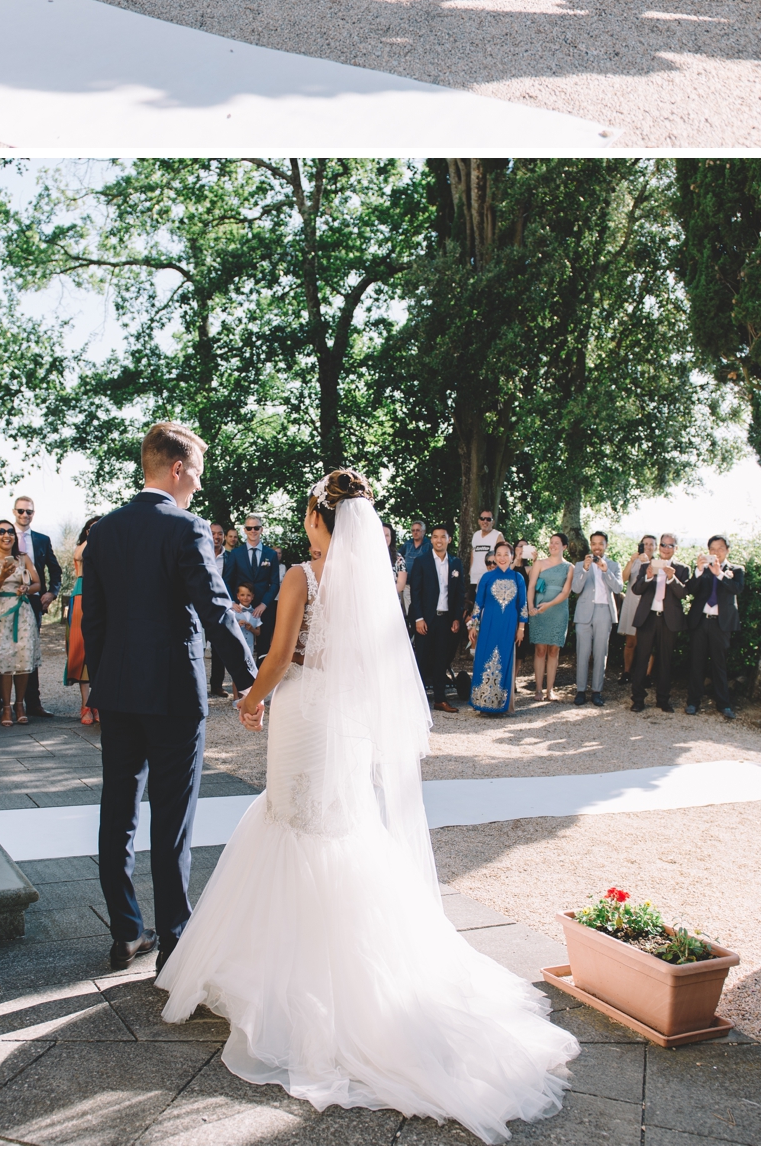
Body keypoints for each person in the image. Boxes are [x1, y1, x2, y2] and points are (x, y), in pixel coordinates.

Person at [156, 469, 576, 1139]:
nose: (302, 523)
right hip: (345, 717)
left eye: (306, 513)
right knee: (338, 826)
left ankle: (286, 978)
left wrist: (250, 698)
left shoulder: (303, 575)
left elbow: (276, 655)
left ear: (319, 519)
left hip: (302, 711)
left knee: (292, 818)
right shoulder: (371, 582)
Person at [82, 421, 257, 971]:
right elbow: (215, 608)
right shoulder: (188, 528)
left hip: (118, 690)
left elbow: (96, 620)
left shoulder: (105, 531)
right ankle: (175, 941)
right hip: (175, 693)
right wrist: (249, 679)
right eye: (197, 475)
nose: (199, 488)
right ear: (177, 469)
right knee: (173, 820)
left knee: (119, 810)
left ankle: (126, 932)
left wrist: (103, 683)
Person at [0, 518, 41, 725]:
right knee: (4, 660)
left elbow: (38, 583)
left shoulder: (23, 558)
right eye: (1, 531)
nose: (6, 535)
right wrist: (2, 577)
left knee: (22, 659)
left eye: (10, 532)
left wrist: (27, 588)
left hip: (22, 612)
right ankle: (5, 707)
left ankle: (20, 704)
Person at [8, 494, 62, 718]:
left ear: (33, 513)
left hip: (33, 601)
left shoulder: (42, 539)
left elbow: (55, 570)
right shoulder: (4, 536)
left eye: (28, 511)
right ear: (14, 512)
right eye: (20, 511)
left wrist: (51, 592)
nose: (24, 515)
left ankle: (33, 703)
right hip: (6, 601)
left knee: (30, 652)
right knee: (4, 650)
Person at [406, 522, 465, 713]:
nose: (439, 540)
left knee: (442, 659)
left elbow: (459, 593)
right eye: (435, 537)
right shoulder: (421, 561)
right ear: (431, 539)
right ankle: (416, 701)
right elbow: (415, 592)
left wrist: (457, 618)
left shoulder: (455, 563)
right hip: (425, 619)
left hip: (445, 619)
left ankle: (440, 700)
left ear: (449, 539)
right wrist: (419, 618)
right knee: (422, 659)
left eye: (442, 536)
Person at [629, 533, 690, 713]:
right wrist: (647, 577)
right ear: (659, 547)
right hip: (647, 618)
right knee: (641, 659)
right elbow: (636, 589)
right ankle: (638, 699)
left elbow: (684, 594)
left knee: (665, 660)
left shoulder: (682, 568)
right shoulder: (647, 565)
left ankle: (663, 700)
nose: (666, 548)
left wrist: (672, 578)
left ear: (675, 549)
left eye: (670, 545)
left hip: (668, 620)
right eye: (663, 545)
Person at [467, 538, 528, 715]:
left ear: (511, 556)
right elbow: (478, 605)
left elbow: (522, 605)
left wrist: (521, 628)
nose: (501, 558)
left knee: (505, 660)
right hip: (489, 625)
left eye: (505, 555)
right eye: (498, 554)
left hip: (509, 626)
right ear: (494, 556)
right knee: (485, 658)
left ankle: (502, 705)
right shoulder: (486, 577)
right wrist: (473, 627)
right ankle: (482, 703)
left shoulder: (518, 578)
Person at [685, 536, 744, 720]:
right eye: (712, 548)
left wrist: (719, 574)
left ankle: (723, 704)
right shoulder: (703, 569)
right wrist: (698, 570)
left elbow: (737, 589)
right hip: (701, 621)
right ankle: (693, 702)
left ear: (727, 550)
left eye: (720, 548)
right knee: (697, 663)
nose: (716, 552)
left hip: (721, 623)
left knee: (720, 664)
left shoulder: (736, 570)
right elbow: (690, 590)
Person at [569, 533, 623, 707]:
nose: (597, 547)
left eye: (600, 544)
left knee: (601, 653)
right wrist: (584, 570)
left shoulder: (613, 565)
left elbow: (618, 588)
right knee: (582, 653)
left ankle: (597, 691)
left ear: (606, 545)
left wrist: (606, 570)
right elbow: (575, 588)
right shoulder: (580, 565)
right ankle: (580, 691)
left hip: (604, 612)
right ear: (590, 545)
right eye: (594, 544)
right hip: (584, 612)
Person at [225, 515, 282, 658]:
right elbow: (226, 580)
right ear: (245, 530)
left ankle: (261, 678)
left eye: (256, 527)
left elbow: (275, 583)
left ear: (261, 529)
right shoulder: (236, 554)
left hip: (263, 607)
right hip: (241, 607)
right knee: (241, 647)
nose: (253, 531)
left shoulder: (271, 554)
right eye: (249, 528)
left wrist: (264, 604)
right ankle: (243, 679)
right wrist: (232, 602)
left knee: (263, 647)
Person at [528, 532, 575, 703]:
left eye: (557, 543)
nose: (553, 545)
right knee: (540, 650)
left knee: (554, 650)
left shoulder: (570, 567)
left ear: (564, 547)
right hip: (538, 610)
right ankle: (538, 689)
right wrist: (531, 606)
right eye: (551, 542)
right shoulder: (539, 563)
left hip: (558, 609)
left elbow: (566, 592)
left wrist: (549, 604)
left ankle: (550, 690)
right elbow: (531, 586)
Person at [615, 534, 657, 693]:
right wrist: (632, 561)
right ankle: (626, 672)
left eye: (651, 544)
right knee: (630, 642)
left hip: (649, 606)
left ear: (655, 547)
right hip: (632, 604)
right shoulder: (634, 561)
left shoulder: (657, 563)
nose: (648, 547)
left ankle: (646, 675)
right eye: (645, 544)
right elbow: (623, 580)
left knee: (649, 644)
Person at [66, 515, 98, 723]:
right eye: (91, 529)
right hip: (81, 597)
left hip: (103, 598)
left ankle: (98, 704)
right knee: (81, 648)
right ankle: (86, 704)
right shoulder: (83, 548)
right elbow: (79, 555)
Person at [468, 508, 503, 585]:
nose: (485, 521)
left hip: (490, 578)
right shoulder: (476, 535)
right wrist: (471, 569)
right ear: (479, 521)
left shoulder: (498, 535)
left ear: (492, 522)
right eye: (482, 518)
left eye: (488, 519)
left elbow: (502, 556)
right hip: (474, 578)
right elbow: (473, 553)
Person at [232, 582, 263, 661]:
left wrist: (251, 629)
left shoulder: (255, 613)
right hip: (236, 647)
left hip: (249, 648)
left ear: (252, 597)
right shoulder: (233, 612)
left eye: (248, 595)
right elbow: (229, 630)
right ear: (238, 596)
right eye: (242, 595)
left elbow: (258, 633)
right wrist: (238, 625)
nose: (245, 598)